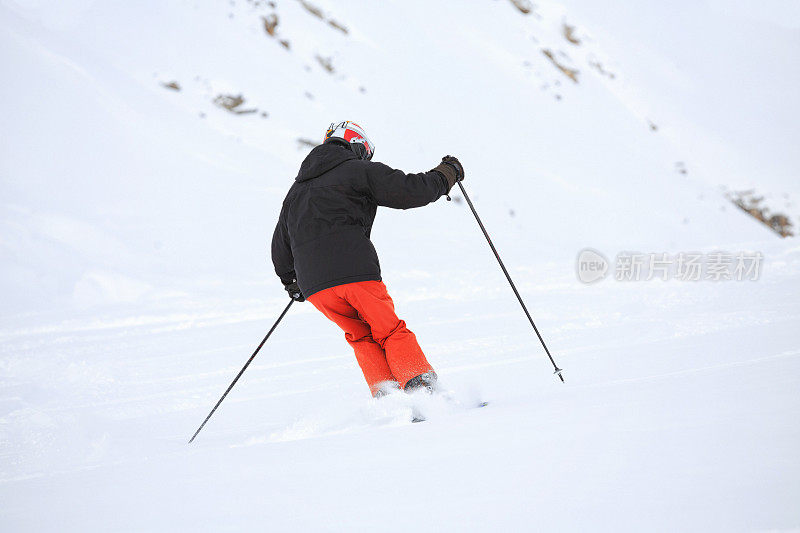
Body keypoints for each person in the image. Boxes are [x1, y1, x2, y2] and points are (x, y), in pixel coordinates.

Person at [271, 121, 464, 397]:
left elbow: (280, 243)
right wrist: (447, 174)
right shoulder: (357, 171)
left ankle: (388, 400)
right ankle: (424, 394)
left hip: (316, 287)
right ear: (357, 146)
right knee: (389, 330)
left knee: (361, 336)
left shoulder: (296, 192)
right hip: (355, 272)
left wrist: (291, 281)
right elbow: (410, 190)